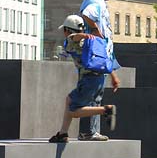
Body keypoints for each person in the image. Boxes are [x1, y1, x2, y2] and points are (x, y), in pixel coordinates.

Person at [49, 15, 117, 143]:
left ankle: (106, 110)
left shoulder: (72, 40)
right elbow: (105, 59)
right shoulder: (91, 41)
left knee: (73, 110)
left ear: (68, 30)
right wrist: (114, 77)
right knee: (69, 100)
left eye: (64, 30)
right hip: (99, 79)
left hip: (88, 80)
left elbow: (73, 37)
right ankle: (63, 133)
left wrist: (83, 36)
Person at [78, 0, 120, 141]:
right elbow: (86, 13)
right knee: (93, 94)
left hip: (98, 56)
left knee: (95, 93)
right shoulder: (96, 1)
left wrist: (112, 73)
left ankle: (91, 130)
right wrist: (95, 30)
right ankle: (90, 131)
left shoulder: (97, 0)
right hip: (94, 55)